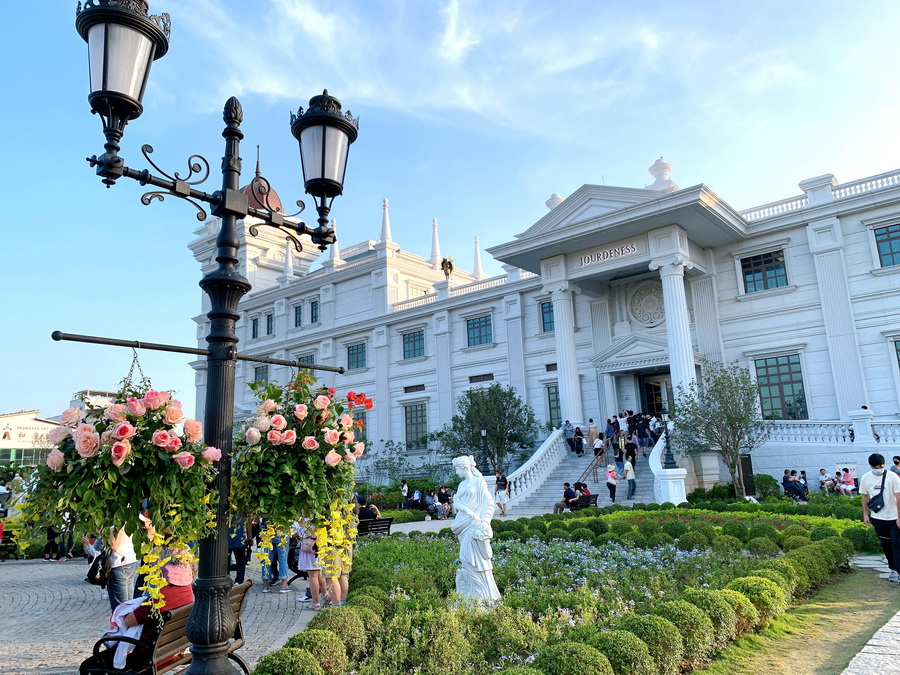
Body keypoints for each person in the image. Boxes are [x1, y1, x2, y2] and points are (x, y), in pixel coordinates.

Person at [78, 556, 195, 674]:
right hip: (168, 651)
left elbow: (129, 621)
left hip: (146, 655)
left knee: (88, 667)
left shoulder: (161, 596)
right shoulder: (188, 590)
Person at [449, 455, 501, 601]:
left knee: (472, 559)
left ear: (464, 467)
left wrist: (484, 521)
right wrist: (469, 511)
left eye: (456, 468)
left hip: (475, 525)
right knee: (466, 559)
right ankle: (475, 591)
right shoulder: (461, 485)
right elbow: (456, 502)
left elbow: (489, 502)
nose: (456, 471)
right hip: (463, 523)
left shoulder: (478, 482)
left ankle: (483, 593)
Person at [860, 453, 900, 583]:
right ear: (871, 466)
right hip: (878, 517)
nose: (879, 468)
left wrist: (899, 517)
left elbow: (899, 497)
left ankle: (899, 570)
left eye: (881, 466)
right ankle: (893, 569)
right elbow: (864, 497)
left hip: (894, 517)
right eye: (877, 467)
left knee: (896, 543)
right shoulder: (866, 478)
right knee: (886, 544)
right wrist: (865, 515)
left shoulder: (893, 477)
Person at [294, 522, 324, 608]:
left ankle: (316, 602)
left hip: (311, 547)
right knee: (319, 573)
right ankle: (325, 595)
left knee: (313, 576)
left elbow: (304, 532)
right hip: (319, 545)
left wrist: (299, 528)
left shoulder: (308, 518)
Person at [228, 515, 248, 586]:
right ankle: (239, 580)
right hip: (239, 540)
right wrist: (249, 537)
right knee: (241, 561)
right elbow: (248, 523)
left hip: (227, 539)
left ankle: (227, 578)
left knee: (226, 561)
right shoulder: (241, 510)